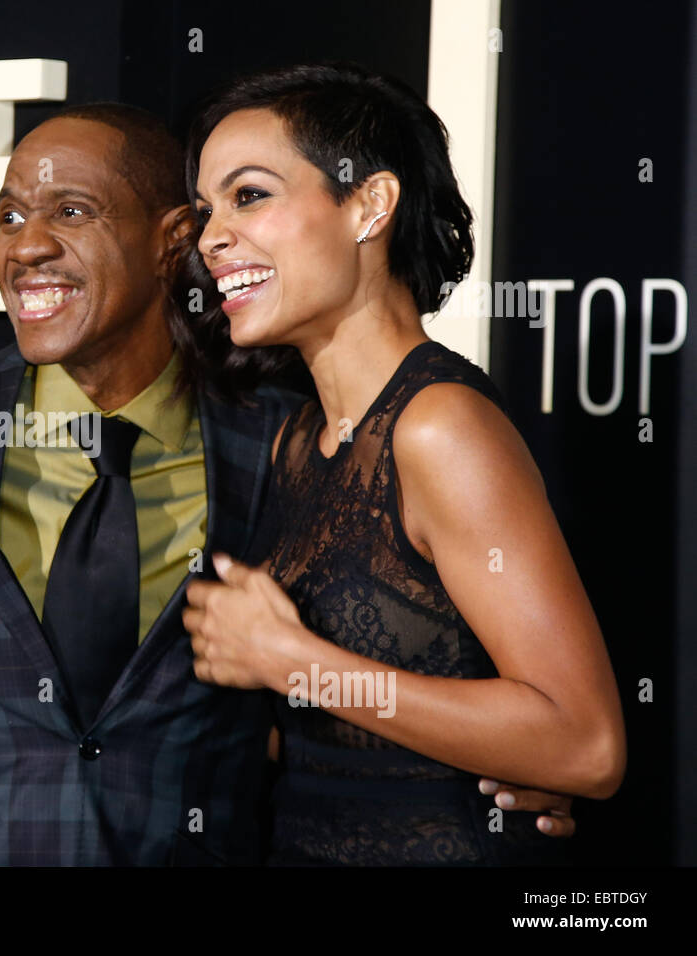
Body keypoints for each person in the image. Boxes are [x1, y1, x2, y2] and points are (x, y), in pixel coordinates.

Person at [0, 101, 575, 866]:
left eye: (72, 212)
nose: (26, 247)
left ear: (169, 243)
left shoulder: (280, 442)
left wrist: (498, 770)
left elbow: (312, 687)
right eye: (11, 217)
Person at [180, 63, 625, 864]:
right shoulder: (299, 438)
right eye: (207, 208)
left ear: (368, 206)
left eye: (249, 196)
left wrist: (296, 663)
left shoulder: (439, 426)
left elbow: (586, 745)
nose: (212, 236)